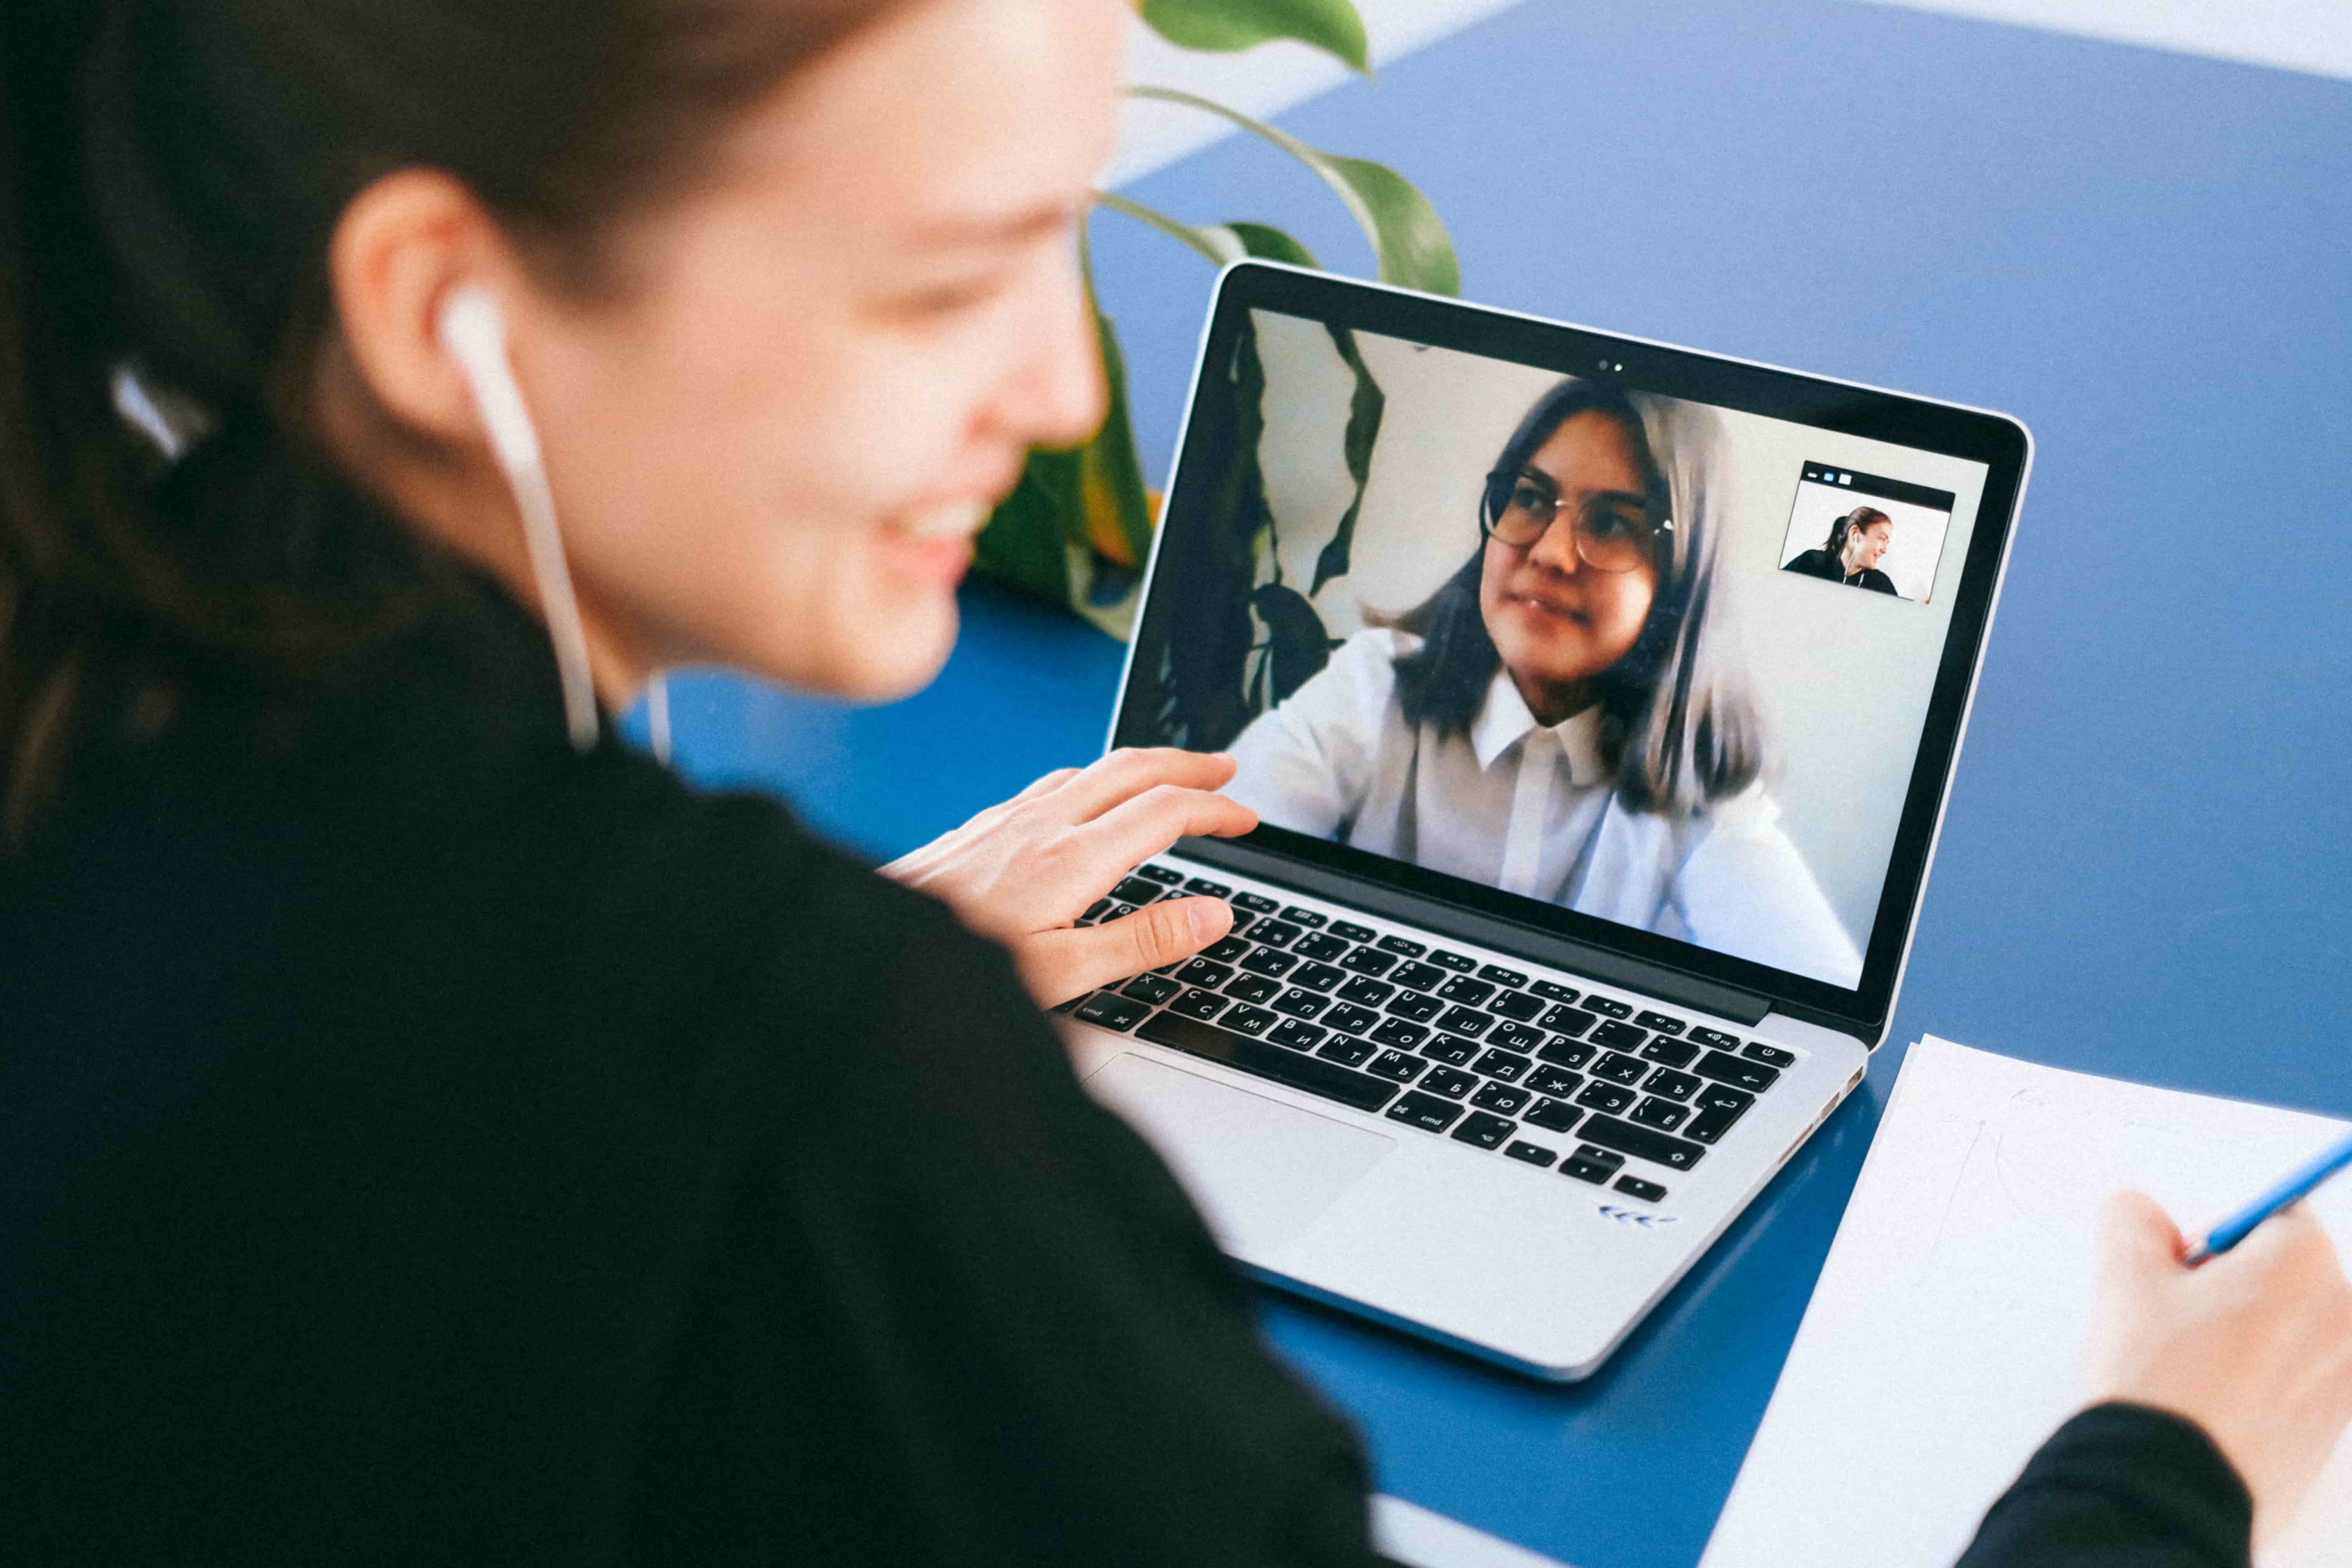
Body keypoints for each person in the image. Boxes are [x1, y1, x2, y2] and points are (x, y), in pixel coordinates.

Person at [1, 2, 2347, 1565]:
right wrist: (2162, 1466)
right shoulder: (818, 1089)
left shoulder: (103, 720)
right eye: (946, 276)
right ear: (447, 308)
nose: (1055, 387)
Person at [1225, 378, 1864, 986]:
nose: (1551, 553)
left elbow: (1814, 1000)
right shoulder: (1376, 684)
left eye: (1611, 521)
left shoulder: (1700, 785)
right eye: (1530, 498)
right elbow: (1207, 851)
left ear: (1678, 575)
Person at [1783, 503, 1900, 593]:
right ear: (1855, 534)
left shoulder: (1881, 585)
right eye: (1882, 539)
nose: (1884, 550)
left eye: (1887, 542)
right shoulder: (1811, 563)